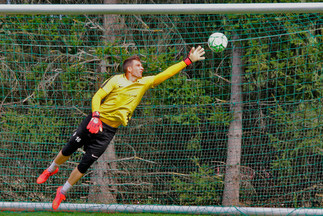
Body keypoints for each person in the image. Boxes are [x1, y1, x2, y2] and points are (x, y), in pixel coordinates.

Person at [36, 46, 205, 210]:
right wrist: (95, 115)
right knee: (69, 148)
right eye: (139, 65)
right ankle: (51, 169)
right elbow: (98, 96)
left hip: (108, 131)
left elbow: (165, 74)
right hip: (95, 120)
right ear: (129, 69)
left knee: (85, 164)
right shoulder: (116, 79)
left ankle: (62, 191)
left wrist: (188, 60)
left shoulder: (144, 82)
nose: (142, 68)